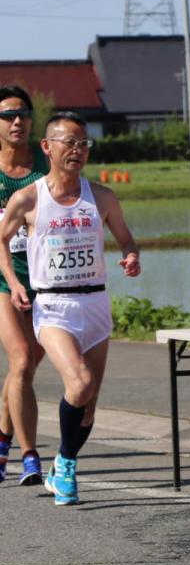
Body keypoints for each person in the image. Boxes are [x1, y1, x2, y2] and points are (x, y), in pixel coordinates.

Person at [0, 111, 140, 505]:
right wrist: (13, 284)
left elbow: (127, 240)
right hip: (54, 305)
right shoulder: (28, 198)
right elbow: (1, 240)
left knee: (88, 408)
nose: (77, 150)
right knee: (78, 384)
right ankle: (64, 468)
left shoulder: (103, 197)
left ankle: (63, 461)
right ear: (47, 147)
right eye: (68, 142)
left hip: (95, 304)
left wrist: (131, 256)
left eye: (83, 143)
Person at [0, 85, 48, 486]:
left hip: (47, 283)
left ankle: (1, 440)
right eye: (8, 115)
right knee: (19, 361)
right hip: (2, 279)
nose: (17, 121)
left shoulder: (44, 170)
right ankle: (30, 455)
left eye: (23, 114)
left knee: (26, 369)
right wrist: (11, 279)